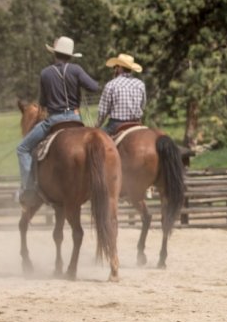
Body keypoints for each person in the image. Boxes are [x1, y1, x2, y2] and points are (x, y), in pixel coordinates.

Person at [15, 36, 99, 204]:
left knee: (23, 148)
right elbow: (94, 87)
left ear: (55, 54)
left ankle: (29, 189)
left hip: (54, 120)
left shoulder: (45, 73)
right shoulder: (76, 70)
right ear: (70, 55)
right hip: (76, 118)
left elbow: (44, 102)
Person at [96, 53, 146, 135]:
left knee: (96, 139)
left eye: (115, 67)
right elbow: (142, 106)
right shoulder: (140, 84)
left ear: (119, 68)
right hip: (136, 123)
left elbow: (103, 112)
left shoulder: (111, 85)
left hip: (115, 125)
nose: (114, 69)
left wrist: (97, 126)